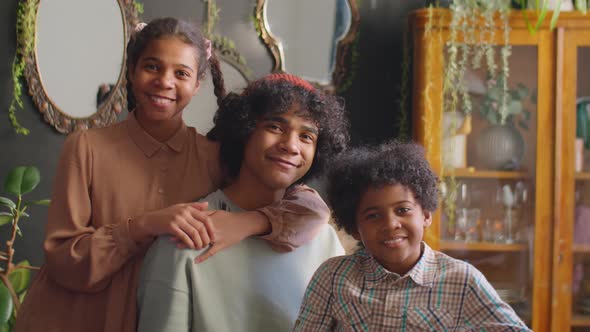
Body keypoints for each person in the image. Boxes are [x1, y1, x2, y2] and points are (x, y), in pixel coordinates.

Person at [15, 18, 332, 332]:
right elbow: (64, 262)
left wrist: (248, 222)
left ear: (197, 85)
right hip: (71, 317)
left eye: (181, 73)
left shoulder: (213, 156)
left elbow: (312, 211)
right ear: (131, 71)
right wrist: (144, 225)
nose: (165, 82)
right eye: (152, 66)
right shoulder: (86, 148)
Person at [137, 72, 350, 332]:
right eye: (275, 127)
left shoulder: (323, 241)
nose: (291, 146)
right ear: (244, 130)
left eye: (307, 136)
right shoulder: (186, 237)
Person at [293, 141, 532, 331]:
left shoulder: (462, 280)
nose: (391, 224)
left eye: (403, 210)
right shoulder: (334, 277)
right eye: (373, 215)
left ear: (426, 214)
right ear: (355, 228)